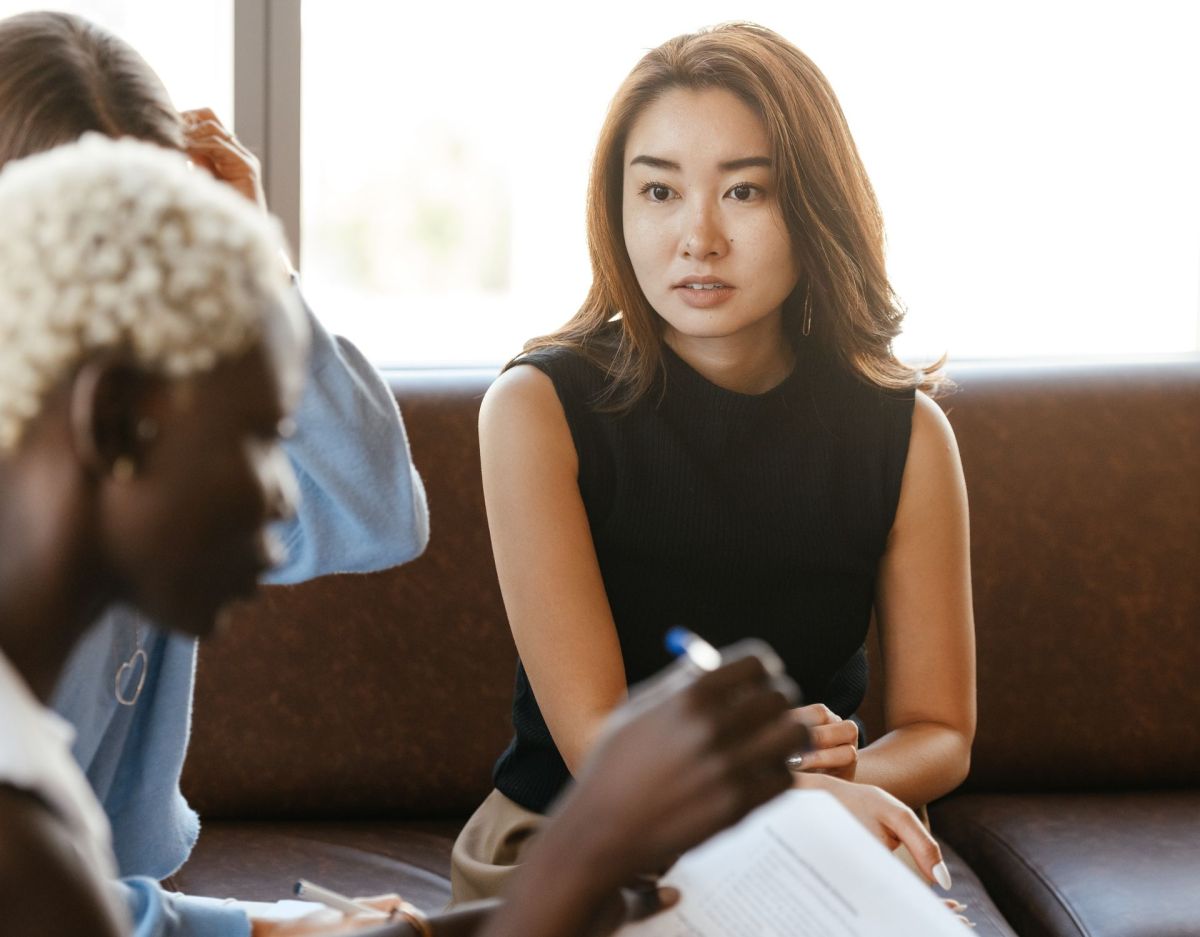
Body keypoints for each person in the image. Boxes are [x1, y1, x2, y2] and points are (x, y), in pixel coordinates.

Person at [0, 133, 811, 937]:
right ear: (118, 423)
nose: (284, 497)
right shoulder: (19, 843)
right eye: (258, 436)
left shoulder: (31, 767)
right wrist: (588, 843)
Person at [452, 21, 976, 901]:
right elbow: (597, 746)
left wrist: (824, 796)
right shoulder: (536, 409)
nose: (697, 237)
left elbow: (939, 730)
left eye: (745, 193)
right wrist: (788, 791)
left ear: (815, 207)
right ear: (616, 209)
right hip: (580, 836)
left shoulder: (907, 433)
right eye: (658, 191)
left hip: (805, 831)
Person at [0, 11, 429, 935]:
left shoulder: (146, 462)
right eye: (97, 243)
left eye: (164, 234)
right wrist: (258, 928)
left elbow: (376, 514)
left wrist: (258, 261)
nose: (139, 292)